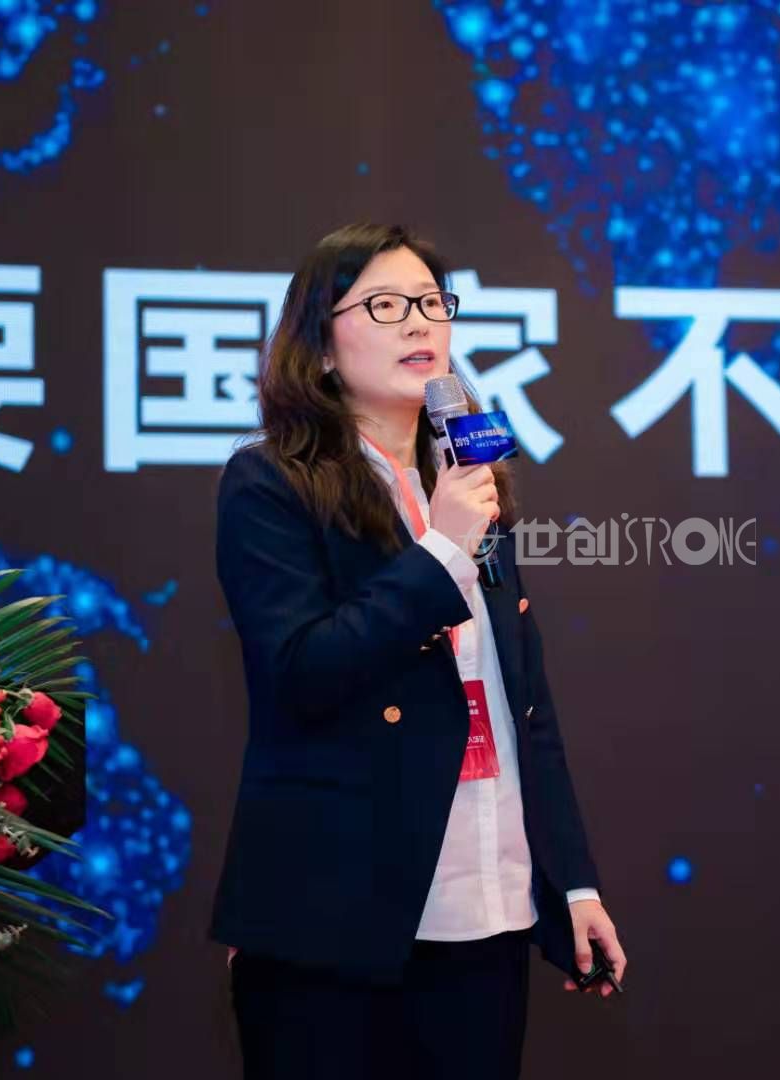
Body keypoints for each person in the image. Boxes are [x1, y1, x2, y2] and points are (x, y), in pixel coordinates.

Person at [211, 223, 626, 1078]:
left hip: (486, 913)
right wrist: (440, 551)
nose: (418, 322)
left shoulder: (470, 480)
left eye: (432, 303)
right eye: (384, 305)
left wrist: (571, 881)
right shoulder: (269, 483)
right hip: (334, 916)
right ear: (320, 346)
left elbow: (523, 706)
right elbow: (303, 673)